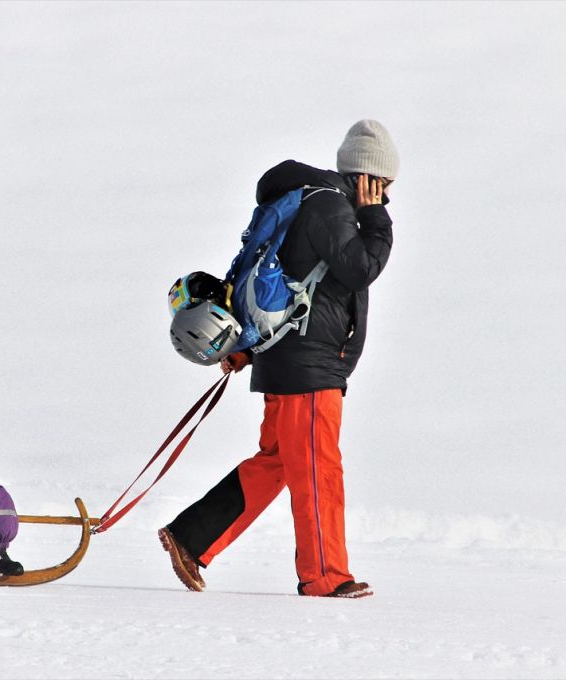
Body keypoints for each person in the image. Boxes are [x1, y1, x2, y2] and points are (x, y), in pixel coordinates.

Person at [158, 120, 398, 599]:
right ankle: (326, 576)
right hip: (308, 368)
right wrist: (376, 221)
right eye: (384, 185)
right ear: (366, 177)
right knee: (318, 470)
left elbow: (289, 285)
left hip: (293, 360)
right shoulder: (331, 208)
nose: (387, 196)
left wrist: (249, 347)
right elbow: (360, 269)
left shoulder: (309, 202)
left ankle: (191, 537)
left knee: (280, 462)